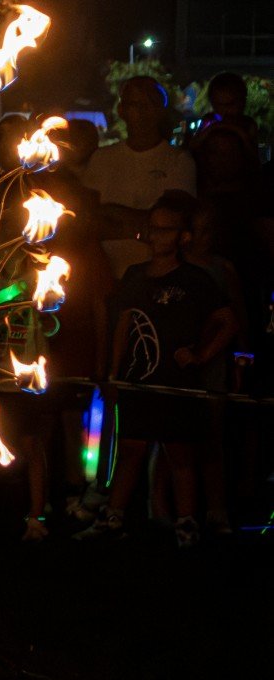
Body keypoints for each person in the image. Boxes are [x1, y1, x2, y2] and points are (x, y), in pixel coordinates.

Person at [76, 195, 236, 548]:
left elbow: (227, 320)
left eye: (165, 230)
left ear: (182, 236)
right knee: (130, 449)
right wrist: (115, 374)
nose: (155, 236)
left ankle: (186, 525)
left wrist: (200, 355)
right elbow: (124, 323)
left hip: (176, 383)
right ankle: (114, 517)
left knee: (179, 455)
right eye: (153, 228)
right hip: (138, 380)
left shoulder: (195, 279)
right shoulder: (135, 275)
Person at [82, 77, 195, 276]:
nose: (142, 112)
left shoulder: (179, 161)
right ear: (122, 110)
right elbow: (87, 219)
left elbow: (171, 221)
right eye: (135, 104)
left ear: (161, 110)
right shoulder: (101, 158)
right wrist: (140, 226)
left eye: (150, 104)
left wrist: (110, 212)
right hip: (103, 274)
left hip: (157, 276)